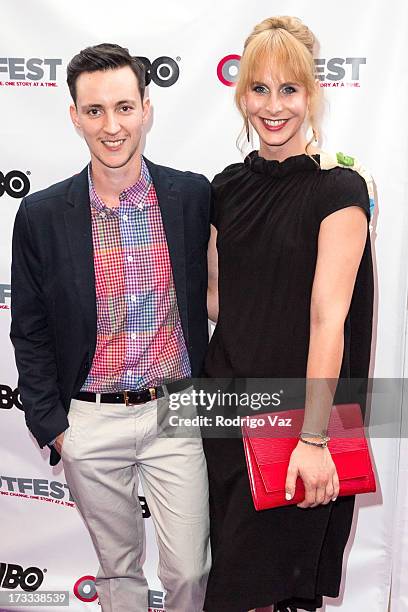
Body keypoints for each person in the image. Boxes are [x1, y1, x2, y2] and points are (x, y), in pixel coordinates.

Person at [10, 43, 211, 612]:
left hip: (177, 409)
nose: (112, 124)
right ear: (74, 116)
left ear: (146, 108)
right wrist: (54, 426)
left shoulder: (191, 196)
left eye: (124, 107)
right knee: (118, 573)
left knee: (190, 569)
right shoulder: (43, 215)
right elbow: (29, 328)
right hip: (89, 420)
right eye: (95, 110)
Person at [203, 16, 374, 612]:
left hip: (298, 424)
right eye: (260, 89)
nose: (274, 107)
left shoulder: (340, 191)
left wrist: (314, 437)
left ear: (312, 95)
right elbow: (221, 300)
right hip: (226, 417)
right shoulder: (225, 188)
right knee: (235, 584)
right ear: (241, 95)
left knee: (273, 590)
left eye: (289, 89)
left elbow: (331, 319)